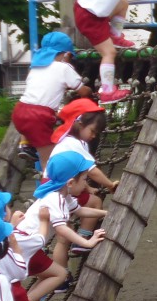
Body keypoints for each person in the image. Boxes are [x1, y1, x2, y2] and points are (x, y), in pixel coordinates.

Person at [13, 151, 107, 301]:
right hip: (26, 245)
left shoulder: (63, 195)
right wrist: (87, 243)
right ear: (71, 182)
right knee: (60, 275)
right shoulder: (54, 198)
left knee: (46, 276)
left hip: (26, 244)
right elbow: (62, 229)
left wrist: (106, 213)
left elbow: (80, 210)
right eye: (85, 180)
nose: (86, 183)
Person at [48, 98, 119, 256]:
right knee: (64, 236)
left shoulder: (76, 142)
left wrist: (87, 187)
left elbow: (77, 172)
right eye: (92, 131)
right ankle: (81, 240)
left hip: (62, 189)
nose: (93, 136)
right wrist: (110, 185)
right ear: (80, 124)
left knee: (67, 232)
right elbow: (92, 171)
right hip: (58, 191)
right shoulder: (72, 144)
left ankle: (79, 244)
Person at [11, 31, 92, 169]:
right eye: (70, 56)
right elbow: (83, 91)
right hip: (38, 116)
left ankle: (25, 144)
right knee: (49, 161)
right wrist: (91, 93)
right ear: (66, 54)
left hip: (19, 111)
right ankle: (50, 187)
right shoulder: (64, 67)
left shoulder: (35, 67)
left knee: (35, 124)